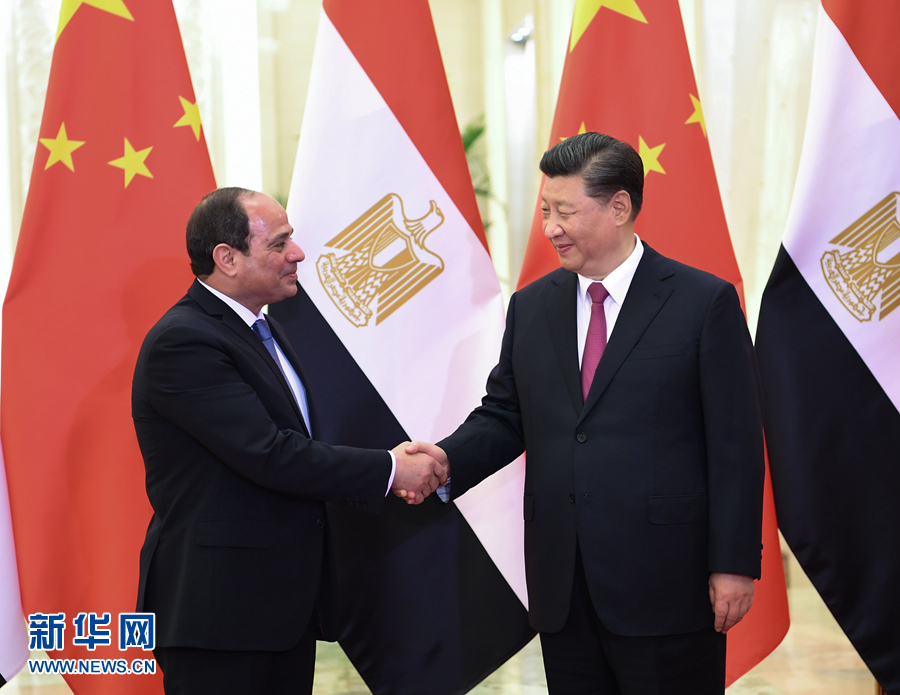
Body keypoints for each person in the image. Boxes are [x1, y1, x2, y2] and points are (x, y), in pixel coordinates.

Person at [406, 132, 764, 694]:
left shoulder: (703, 303)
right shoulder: (533, 305)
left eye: (565, 211)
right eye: (545, 211)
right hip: (564, 587)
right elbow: (506, 415)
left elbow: (735, 445)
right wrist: (447, 460)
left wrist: (734, 562)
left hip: (666, 584)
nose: (550, 227)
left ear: (618, 207)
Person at [132, 187, 446, 695]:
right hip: (220, 615)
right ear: (227, 258)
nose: (297, 254)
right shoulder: (184, 341)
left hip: (280, 609)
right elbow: (271, 454)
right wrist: (390, 470)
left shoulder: (264, 329)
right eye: (279, 244)